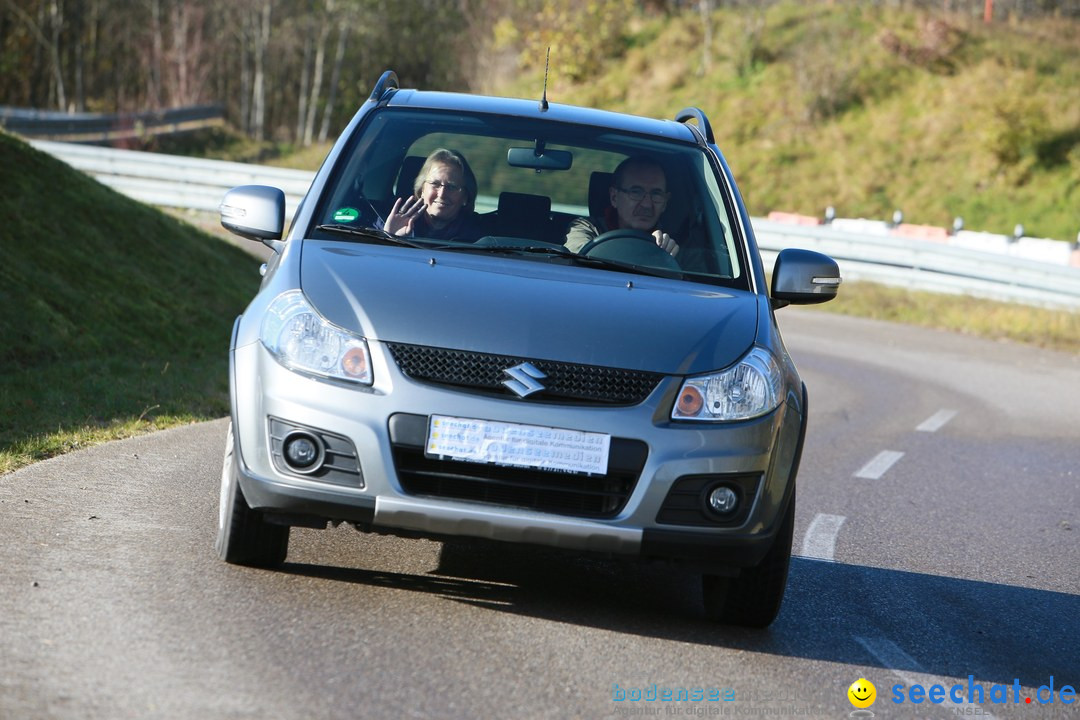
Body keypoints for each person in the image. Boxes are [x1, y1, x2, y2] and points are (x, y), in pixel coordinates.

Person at [565, 155, 680, 257]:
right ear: (614, 197)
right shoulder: (586, 229)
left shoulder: (680, 245)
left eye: (656, 194)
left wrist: (668, 256)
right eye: (636, 192)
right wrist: (650, 251)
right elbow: (579, 261)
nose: (647, 204)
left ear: (665, 202)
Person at [382, 148, 482, 241]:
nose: (442, 194)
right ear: (422, 190)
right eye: (435, 184)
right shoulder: (389, 221)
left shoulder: (480, 237)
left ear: (465, 196)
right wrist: (389, 238)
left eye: (452, 187)